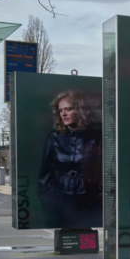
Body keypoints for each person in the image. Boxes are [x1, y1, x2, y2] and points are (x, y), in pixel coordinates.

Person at [37, 90, 102, 227]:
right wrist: (48, 198)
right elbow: (44, 174)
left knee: (85, 236)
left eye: (68, 109)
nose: (63, 114)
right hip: (58, 199)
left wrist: (99, 197)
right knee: (65, 239)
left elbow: (105, 171)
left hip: (88, 199)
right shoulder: (54, 138)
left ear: (80, 110)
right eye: (61, 110)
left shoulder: (97, 137)